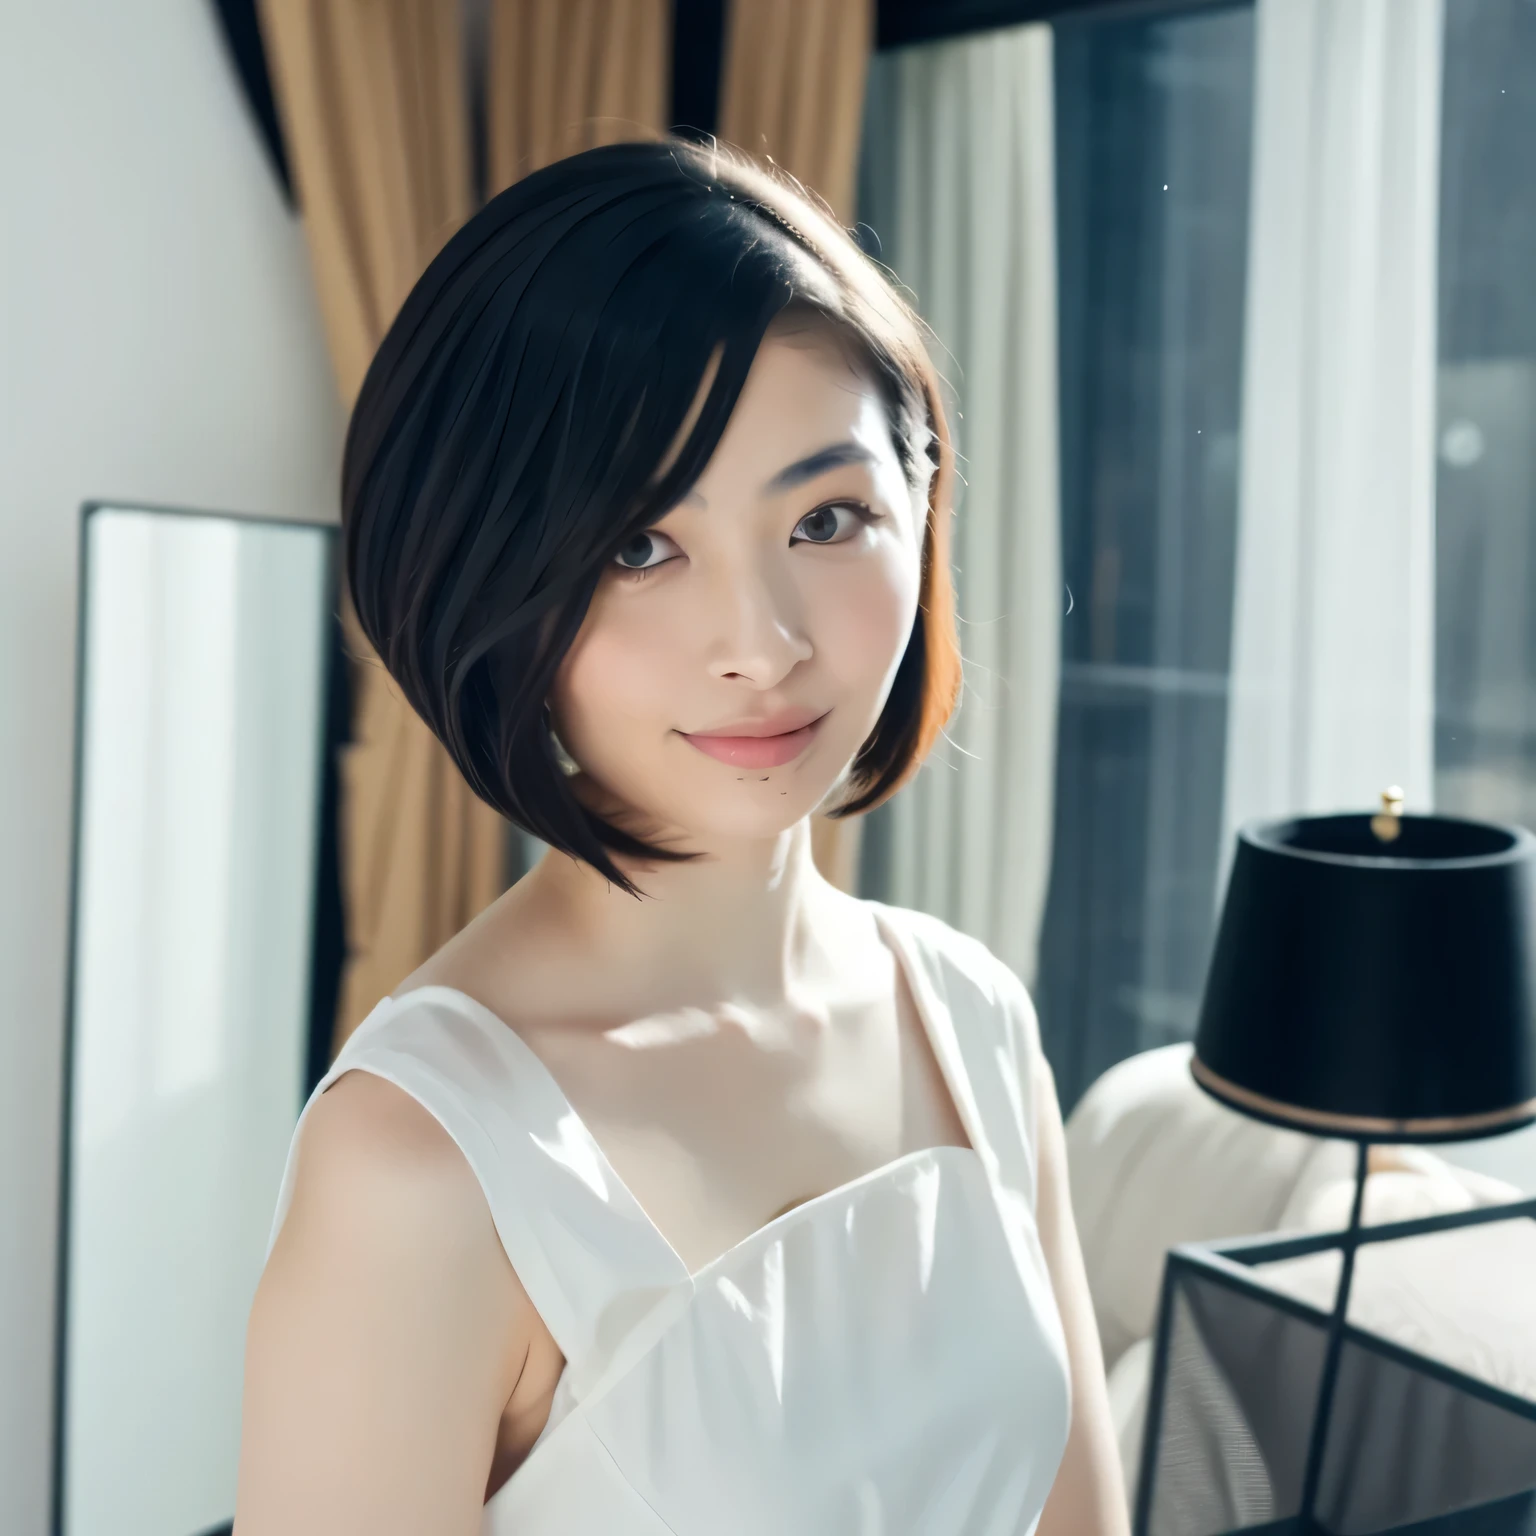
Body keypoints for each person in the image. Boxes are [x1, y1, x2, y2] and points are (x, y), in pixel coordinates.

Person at [234, 137, 1128, 1536]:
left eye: (828, 519)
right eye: (639, 548)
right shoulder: (419, 1166)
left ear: (923, 506)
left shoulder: (969, 1022)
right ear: (480, 577)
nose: (760, 646)